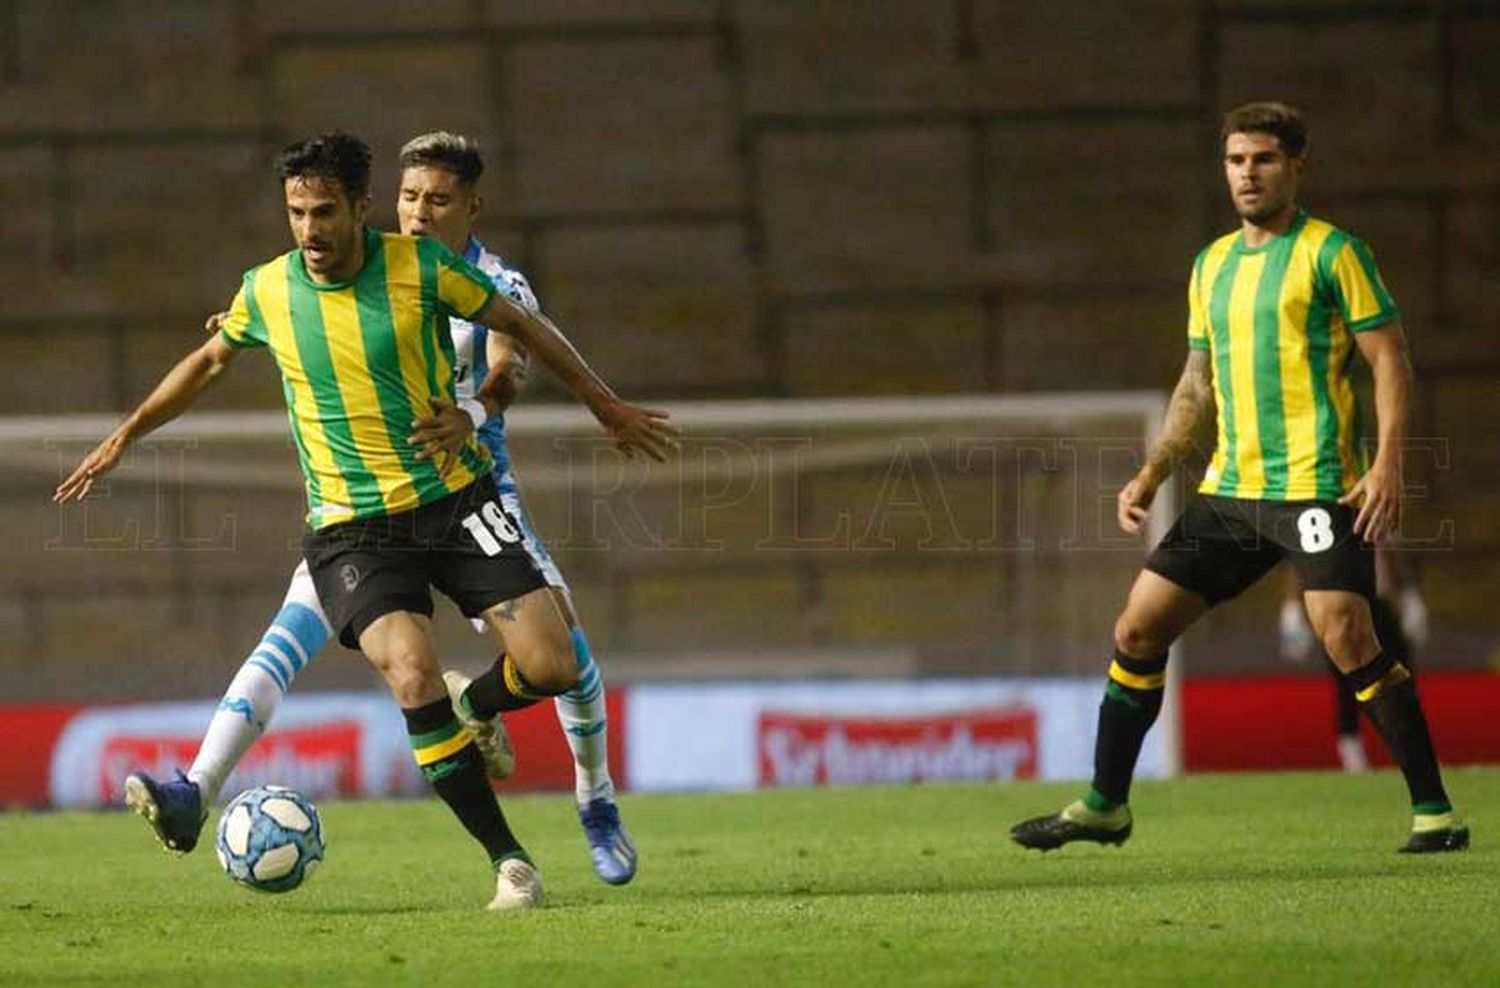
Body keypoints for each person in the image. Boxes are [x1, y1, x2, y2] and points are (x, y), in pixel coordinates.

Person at [55, 132, 676, 909]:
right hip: (356, 528)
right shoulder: (269, 289)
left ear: (360, 209)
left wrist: (603, 404)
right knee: (401, 669)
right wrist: (128, 433)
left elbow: (520, 331)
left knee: (555, 663)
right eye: (295, 213)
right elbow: (209, 359)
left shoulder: (426, 270)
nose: (308, 230)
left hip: (459, 501)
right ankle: (509, 862)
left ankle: (533, 752)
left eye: (323, 213)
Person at [1009, 102, 1467, 854]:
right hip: (1231, 493)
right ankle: (1105, 804)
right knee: (1137, 626)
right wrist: (1155, 469)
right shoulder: (1211, 265)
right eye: (1235, 161)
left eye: (1263, 159)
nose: (1247, 174)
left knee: (1348, 635)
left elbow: (1390, 358)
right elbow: (1196, 385)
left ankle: (1434, 813)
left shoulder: (1334, 254)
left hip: (1319, 486)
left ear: (1296, 167)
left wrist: (1387, 463)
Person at [1279, 549, 1429, 772]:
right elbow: (1300, 562)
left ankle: (1412, 753)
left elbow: (1392, 552)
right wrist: (1292, 608)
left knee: (1401, 679)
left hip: (1380, 606)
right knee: (1348, 684)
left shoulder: (1372, 516)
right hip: (1341, 608)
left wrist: (1409, 595)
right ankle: (1352, 753)